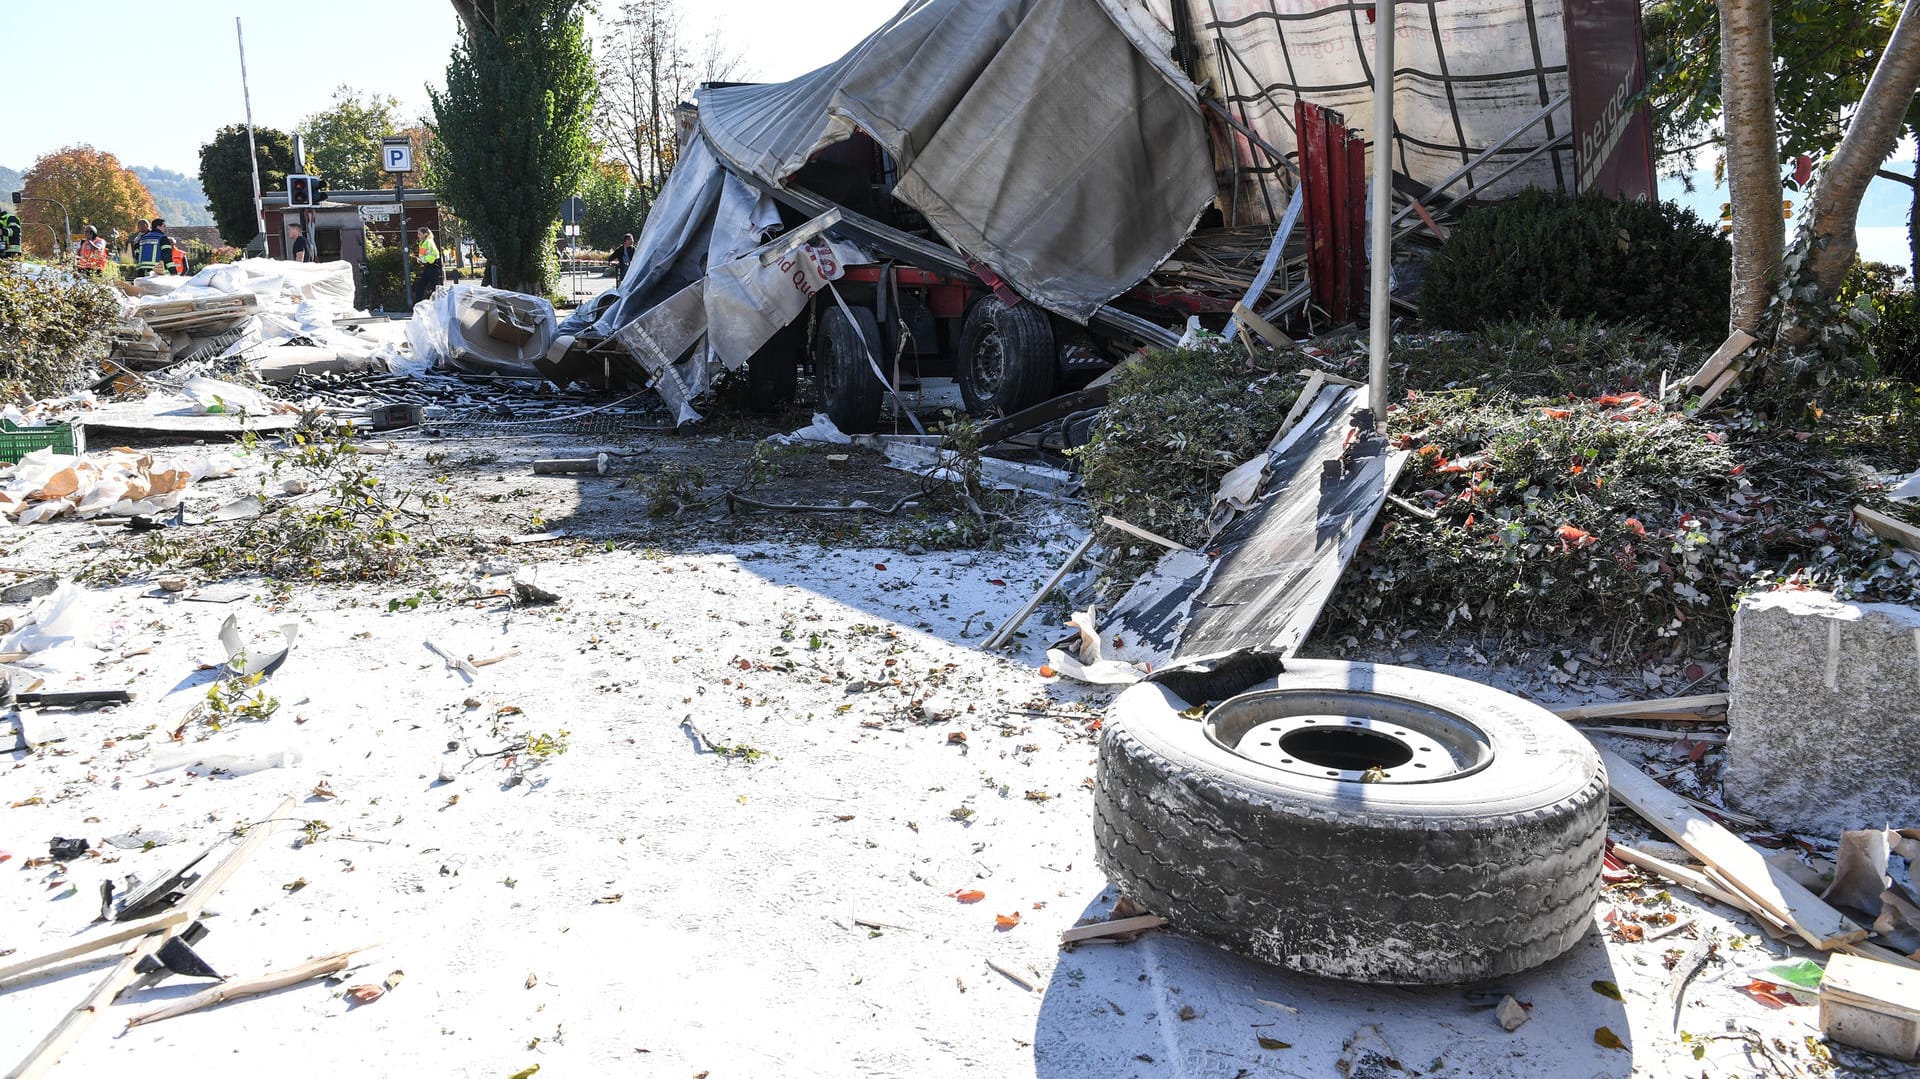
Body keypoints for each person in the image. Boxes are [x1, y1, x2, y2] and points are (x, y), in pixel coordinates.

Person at [413, 225, 442, 302]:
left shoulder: (428, 242)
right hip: (429, 265)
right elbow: (423, 254)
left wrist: (425, 259)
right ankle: (419, 303)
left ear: (425, 234)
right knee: (422, 285)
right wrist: (422, 259)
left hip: (432, 265)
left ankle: (438, 302)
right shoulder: (423, 242)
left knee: (434, 286)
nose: (418, 235)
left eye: (419, 234)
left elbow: (435, 253)